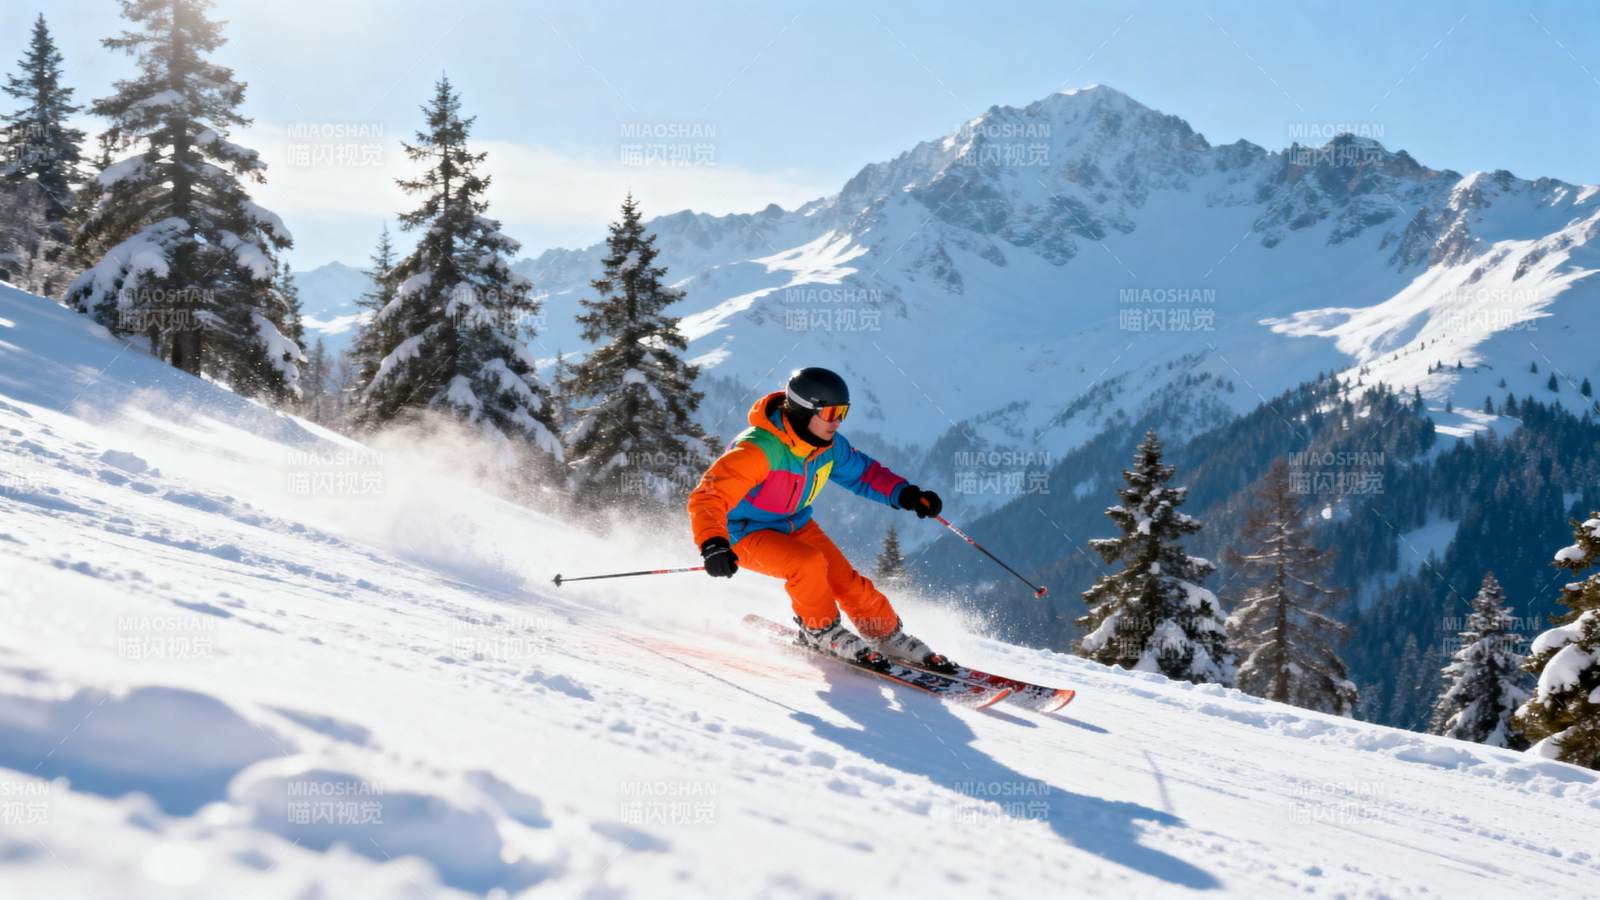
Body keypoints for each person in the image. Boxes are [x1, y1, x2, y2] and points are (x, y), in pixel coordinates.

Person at [687, 366, 950, 671]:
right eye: (830, 413)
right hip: (741, 533)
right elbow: (708, 496)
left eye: (843, 412)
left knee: (847, 582)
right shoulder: (758, 449)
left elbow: (864, 474)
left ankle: (886, 634)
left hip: (794, 523)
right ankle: (819, 629)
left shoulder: (827, 446)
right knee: (807, 564)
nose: (837, 421)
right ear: (802, 410)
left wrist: (905, 494)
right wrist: (713, 544)